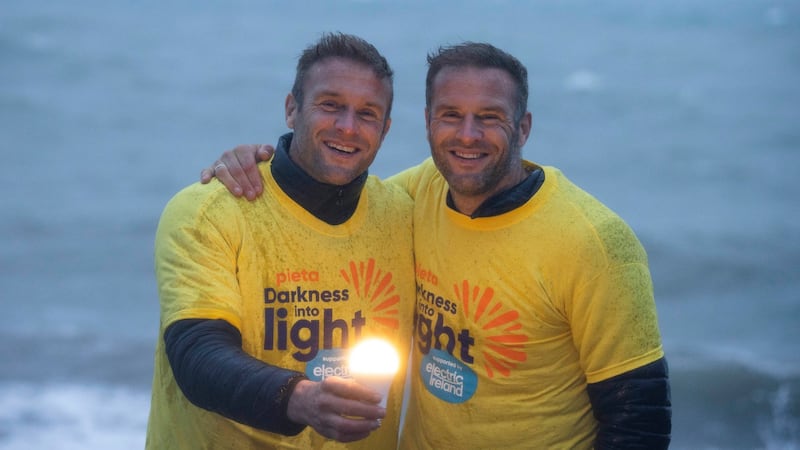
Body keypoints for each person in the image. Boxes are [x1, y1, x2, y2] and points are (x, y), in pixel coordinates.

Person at [203, 42, 672, 449]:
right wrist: (255, 162)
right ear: (427, 122)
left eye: (489, 118)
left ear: (524, 128)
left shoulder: (595, 242)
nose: (467, 136)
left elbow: (640, 418)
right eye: (451, 115)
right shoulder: (413, 196)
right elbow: (328, 197)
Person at [146, 32, 416, 449]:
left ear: (386, 129)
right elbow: (196, 352)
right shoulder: (209, 211)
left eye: (368, 114)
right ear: (292, 109)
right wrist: (297, 398)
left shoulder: (406, 213)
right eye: (330, 105)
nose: (348, 126)